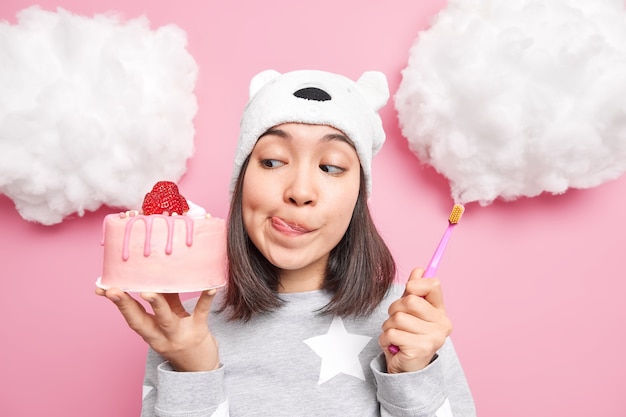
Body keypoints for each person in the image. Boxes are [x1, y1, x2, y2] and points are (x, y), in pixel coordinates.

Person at [96, 69, 476, 416]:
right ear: (241, 182)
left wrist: (411, 378)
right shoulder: (182, 329)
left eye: (331, 167)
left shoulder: (410, 325)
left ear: (358, 196)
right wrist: (194, 370)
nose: (300, 191)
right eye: (273, 161)